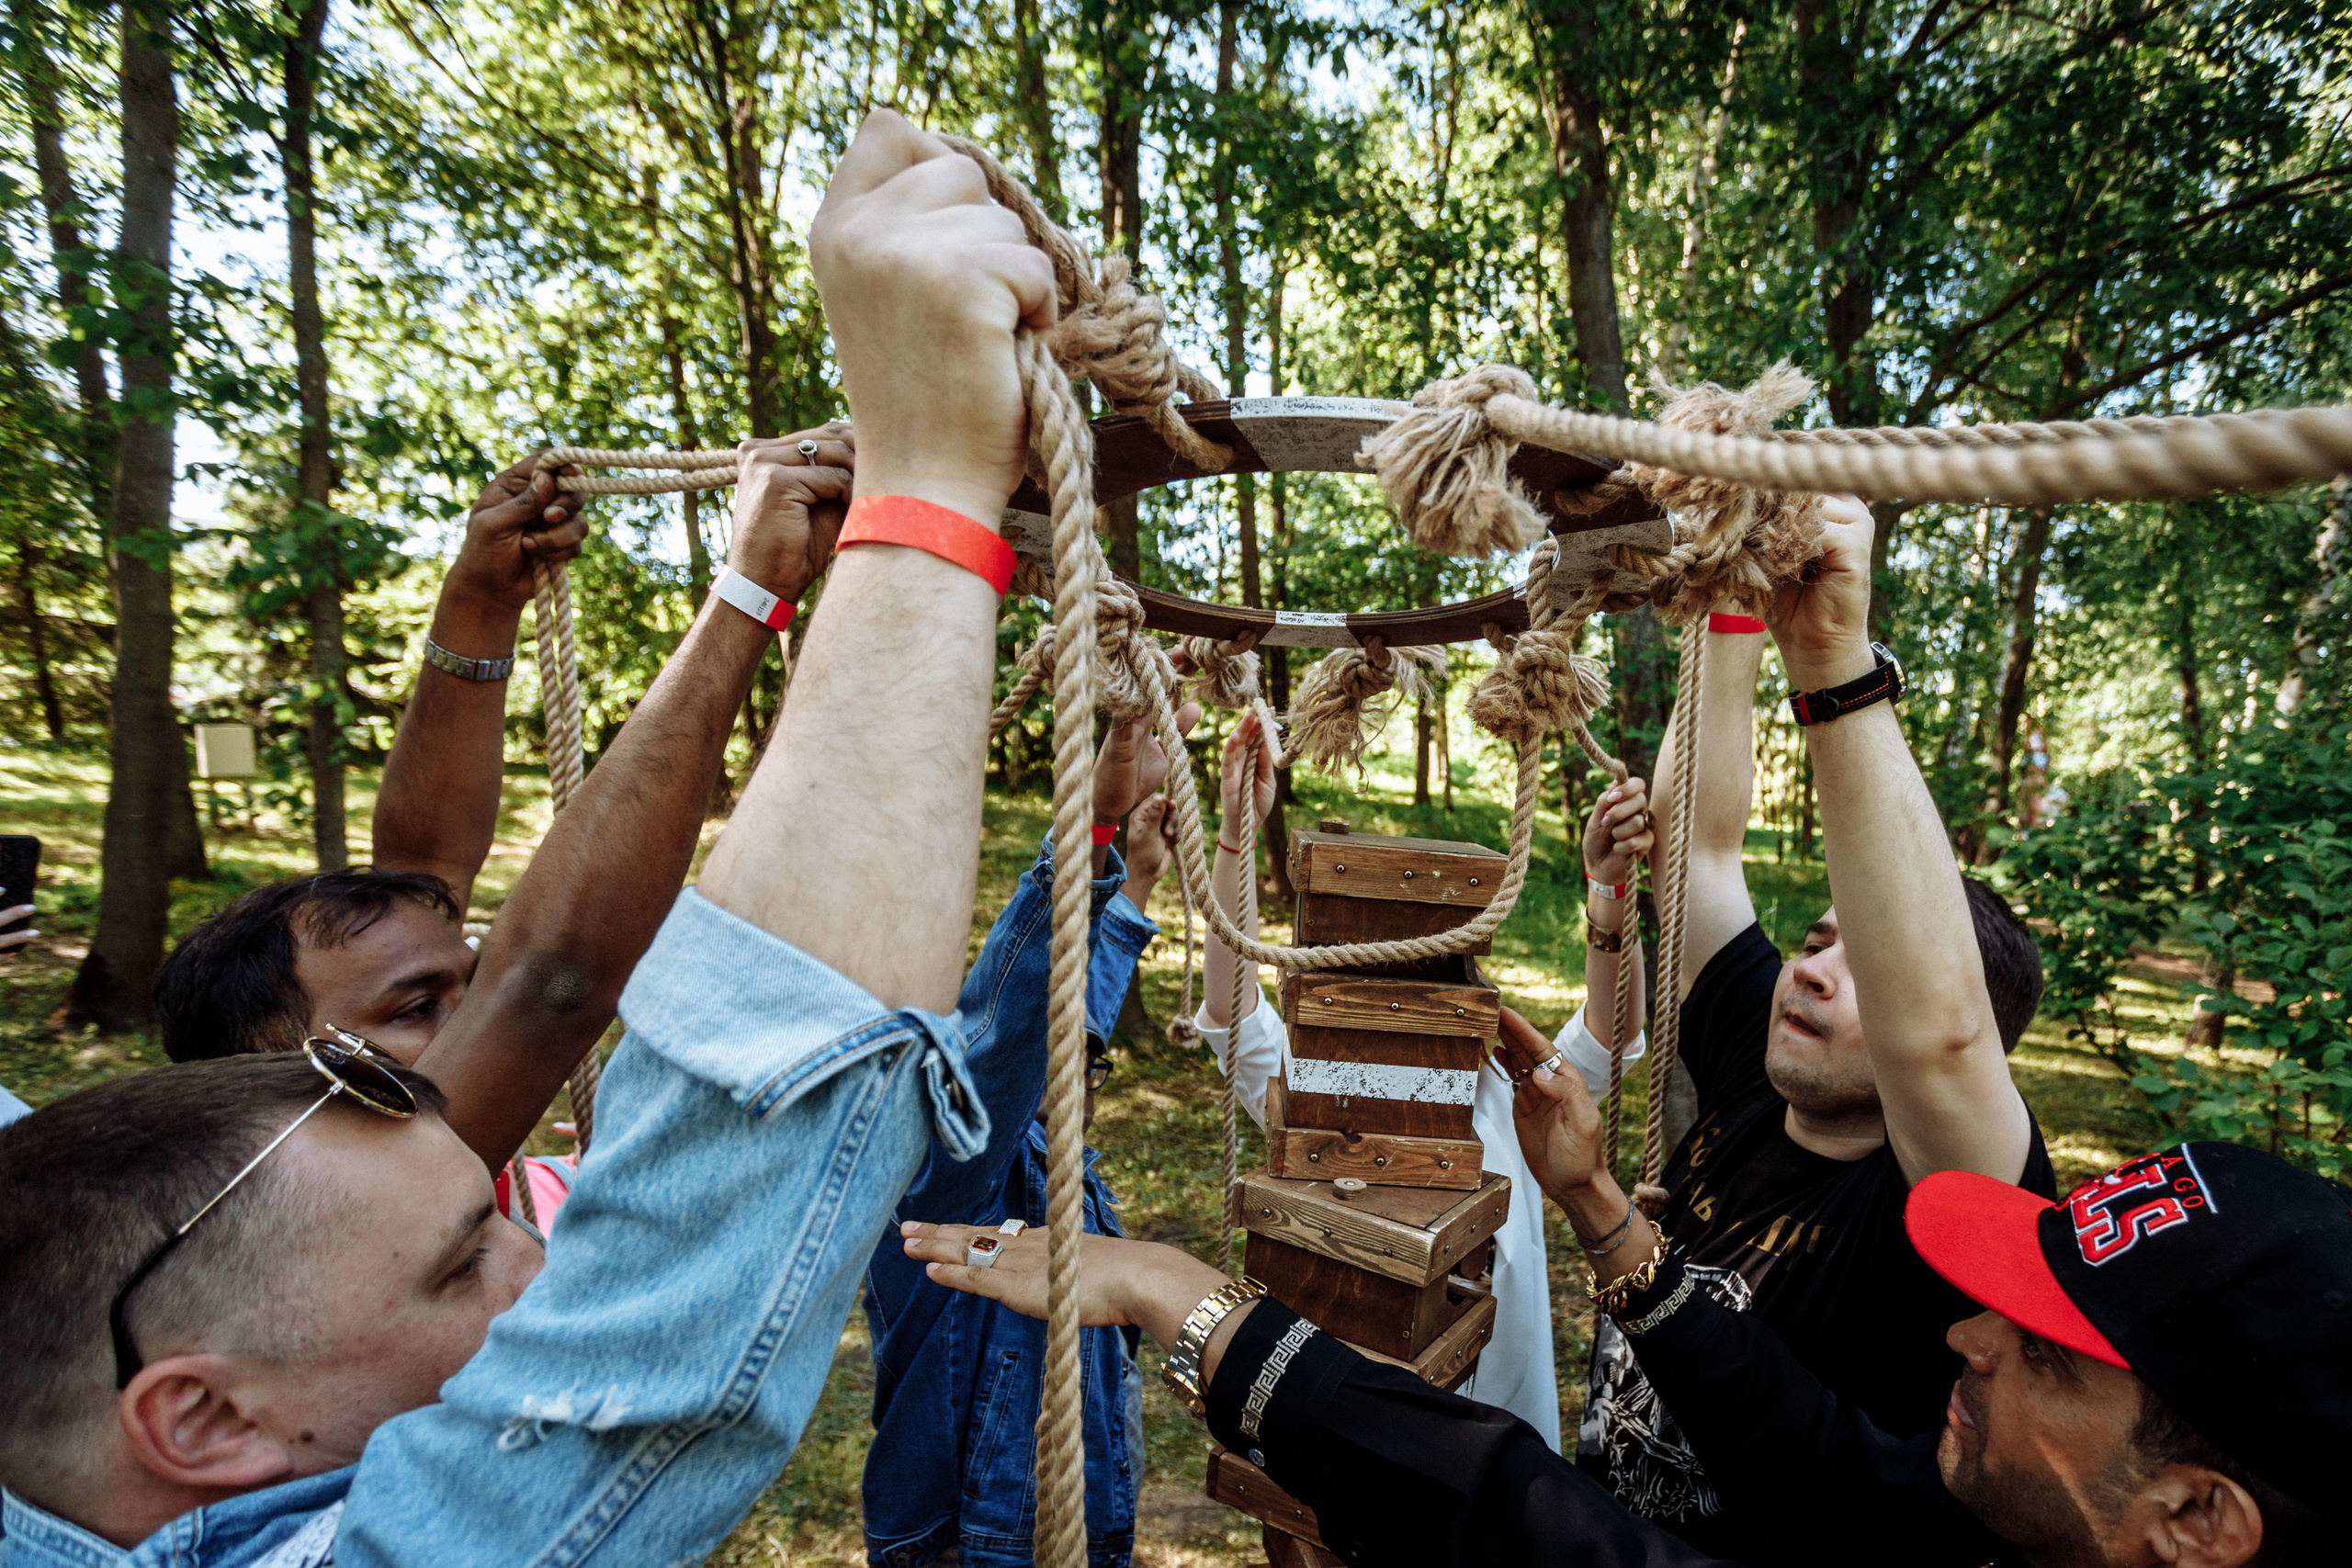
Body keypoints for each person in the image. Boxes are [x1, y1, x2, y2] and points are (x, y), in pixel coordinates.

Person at [0, 107, 1065, 1565]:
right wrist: (910, 499)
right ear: (195, 1420)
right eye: (463, 1262)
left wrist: (476, 613)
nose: (547, 1259)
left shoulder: (159, 1251)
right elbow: (559, 997)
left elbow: (455, 911)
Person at [900, 1134, 2346, 1568]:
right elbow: (1826, 1461)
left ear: (2201, 1513)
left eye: (2046, 1353)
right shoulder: (2053, 1524)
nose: (1966, 1333)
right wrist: (1607, 1217)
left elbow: (1566, 1542)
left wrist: (1195, 1306)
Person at [149, 428, 856, 1224]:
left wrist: (480, 603)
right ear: (270, 1090)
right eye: (417, 1008)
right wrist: (751, 591)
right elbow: (551, 982)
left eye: (470, 980)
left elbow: (424, 862)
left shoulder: (372, 1157)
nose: (478, 1011)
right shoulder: (335, 1207)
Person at [1561, 499, 2055, 1555]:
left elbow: (1942, 1038)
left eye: (1863, 963)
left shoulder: (1949, 1213)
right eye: (1816, 938)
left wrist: (1832, 658)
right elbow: (1696, 853)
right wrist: (1737, 600)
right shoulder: (1765, 1054)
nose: (1813, 972)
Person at [1194, 714, 1655, 1450]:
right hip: (1349, 1446)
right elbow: (1232, 1007)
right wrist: (1236, 833)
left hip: (1500, 1448)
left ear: (1459, 987)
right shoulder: (1314, 1086)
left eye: (1412, 983)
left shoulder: (1511, 1094)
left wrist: (1608, 883)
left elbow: (1610, 1028)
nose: (1389, 1009)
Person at [860, 709, 1193, 1568]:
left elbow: (1068, 1021)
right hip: (971, 1549)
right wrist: (1091, 833)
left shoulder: (1054, 1156)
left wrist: (1139, 885)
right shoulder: (940, 1183)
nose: (1077, 1071)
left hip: (1085, 1532)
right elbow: (1009, 1038)